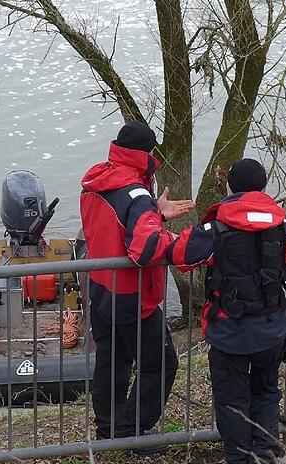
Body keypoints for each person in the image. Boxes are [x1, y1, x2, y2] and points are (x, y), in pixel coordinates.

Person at [168, 158, 286, 464]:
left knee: (232, 400)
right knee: (266, 393)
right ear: (263, 187)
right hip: (272, 328)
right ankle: (264, 463)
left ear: (230, 187)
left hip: (230, 332)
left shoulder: (217, 225)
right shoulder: (281, 222)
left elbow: (183, 255)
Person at [80, 121, 193, 445]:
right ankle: (130, 433)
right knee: (161, 365)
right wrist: (176, 239)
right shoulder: (137, 195)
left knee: (111, 361)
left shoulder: (96, 181)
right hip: (131, 297)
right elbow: (144, 249)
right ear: (147, 154)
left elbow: (114, 231)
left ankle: (108, 429)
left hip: (100, 287)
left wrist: (154, 214)